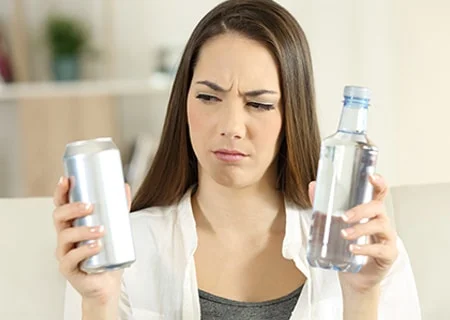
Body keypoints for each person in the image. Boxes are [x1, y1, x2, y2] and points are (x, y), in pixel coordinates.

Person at [52, 0, 421, 319]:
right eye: (209, 98)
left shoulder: (361, 249)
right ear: (183, 102)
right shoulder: (122, 250)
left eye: (259, 104)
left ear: (291, 115)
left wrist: (361, 295)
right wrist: (98, 303)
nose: (231, 126)